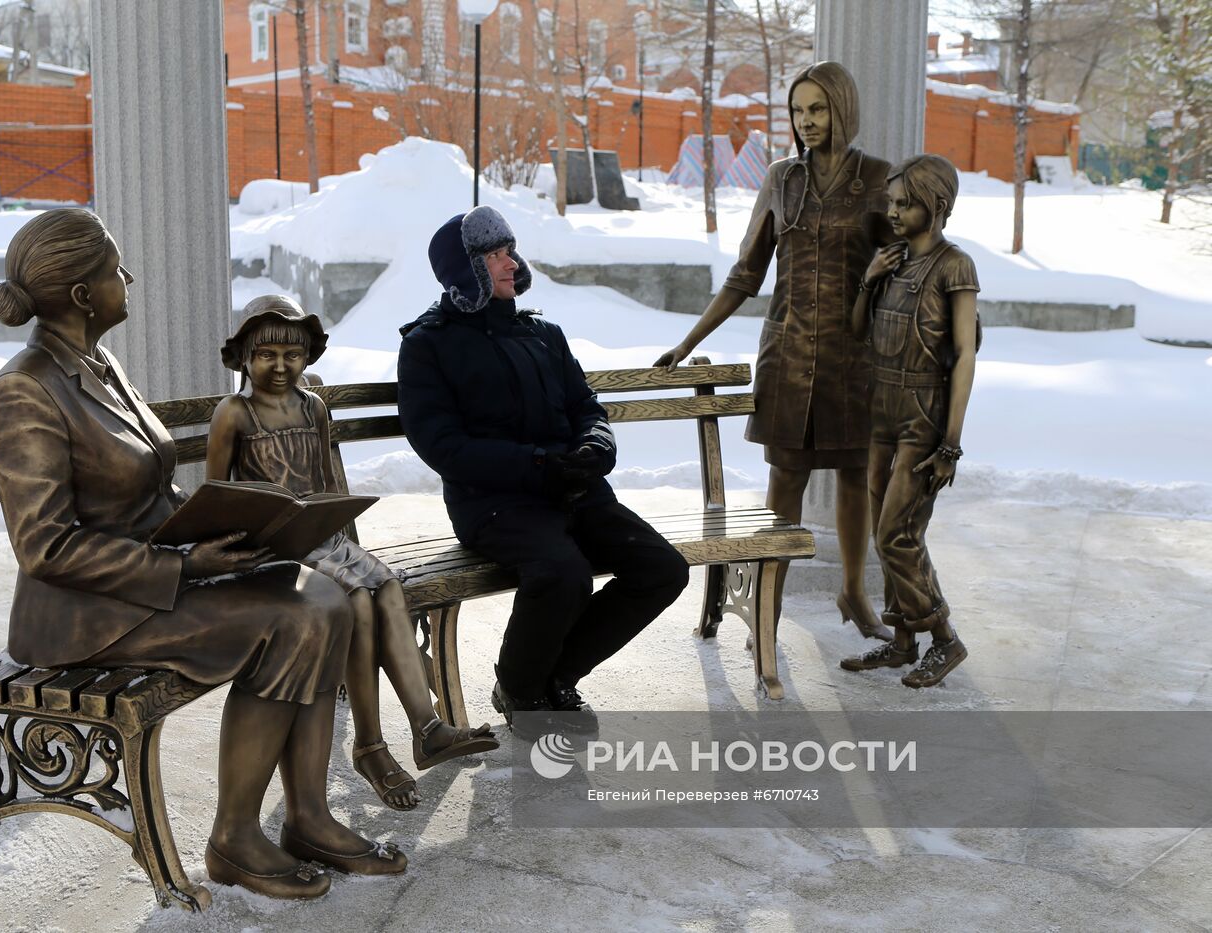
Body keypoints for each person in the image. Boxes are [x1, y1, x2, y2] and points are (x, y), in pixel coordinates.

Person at [0, 209, 406, 902]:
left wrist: (236, 533)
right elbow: (45, 545)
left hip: (150, 576)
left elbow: (144, 489)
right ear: (84, 295)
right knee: (294, 619)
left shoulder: (99, 363)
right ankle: (235, 838)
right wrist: (185, 565)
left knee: (325, 596)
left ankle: (308, 816)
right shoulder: (25, 386)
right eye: (115, 269)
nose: (128, 278)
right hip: (84, 613)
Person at [397, 205, 690, 739]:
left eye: (510, 251)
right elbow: (442, 446)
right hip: (494, 503)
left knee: (662, 570)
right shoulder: (428, 345)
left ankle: (552, 674)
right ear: (467, 269)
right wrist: (535, 464)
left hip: (574, 490)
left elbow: (586, 407)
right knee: (562, 573)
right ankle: (523, 690)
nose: (512, 263)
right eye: (496, 254)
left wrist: (595, 447)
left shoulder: (543, 333)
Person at [206, 295, 498, 811]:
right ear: (244, 356)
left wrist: (344, 535)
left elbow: (331, 484)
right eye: (266, 355)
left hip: (324, 539)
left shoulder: (313, 407)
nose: (280, 366)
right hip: (275, 551)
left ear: (308, 358)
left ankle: (427, 727)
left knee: (385, 586)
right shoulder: (234, 414)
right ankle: (370, 747)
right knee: (356, 602)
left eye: (292, 355)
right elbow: (219, 498)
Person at [654, 61, 894, 642]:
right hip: (787, 354)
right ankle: (769, 604)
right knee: (785, 479)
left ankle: (856, 592)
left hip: (854, 358)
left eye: (818, 109)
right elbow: (745, 274)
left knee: (856, 474)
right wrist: (690, 340)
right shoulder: (781, 179)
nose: (806, 121)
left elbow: (904, 277)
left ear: (843, 109)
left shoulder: (881, 179)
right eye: (798, 110)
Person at [840, 154, 978, 688]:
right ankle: (902, 642)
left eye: (906, 203)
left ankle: (944, 639)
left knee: (897, 534)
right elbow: (859, 333)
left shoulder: (955, 266)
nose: (893, 212)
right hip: (882, 411)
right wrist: (868, 282)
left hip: (924, 416)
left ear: (937, 206)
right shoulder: (891, 260)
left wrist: (951, 443)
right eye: (891, 203)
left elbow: (965, 355)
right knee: (888, 529)